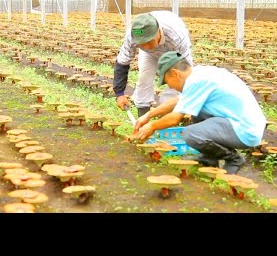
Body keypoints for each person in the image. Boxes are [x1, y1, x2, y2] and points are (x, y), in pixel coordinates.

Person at [134, 51, 266, 174]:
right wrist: (149, 115)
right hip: (240, 123)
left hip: (245, 130)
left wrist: (152, 126)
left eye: (167, 82)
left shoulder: (196, 82)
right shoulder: (199, 74)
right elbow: (179, 101)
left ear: (175, 73)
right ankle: (209, 158)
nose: (169, 86)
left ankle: (234, 159)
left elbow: (175, 118)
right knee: (197, 112)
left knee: (190, 134)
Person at [113, 11, 193, 118]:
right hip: (148, 55)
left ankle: (167, 117)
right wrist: (119, 94)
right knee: (144, 78)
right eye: (142, 43)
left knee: (174, 83)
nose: (146, 46)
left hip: (174, 54)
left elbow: (186, 70)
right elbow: (122, 62)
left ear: (158, 32)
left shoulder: (176, 35)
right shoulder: (132, 37)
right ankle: (142, 117)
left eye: (149, 41)